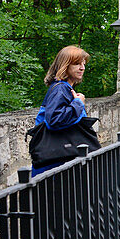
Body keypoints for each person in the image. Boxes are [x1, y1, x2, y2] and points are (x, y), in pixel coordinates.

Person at [30, 45, 95, 176]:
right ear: (65, 66)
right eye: (77, 64)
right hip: (56, 162)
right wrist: (78, 103)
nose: (82, 68)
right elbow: (54, 120)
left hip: (60, 159)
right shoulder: (61, 89)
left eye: (83, 64)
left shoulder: (64, 89)